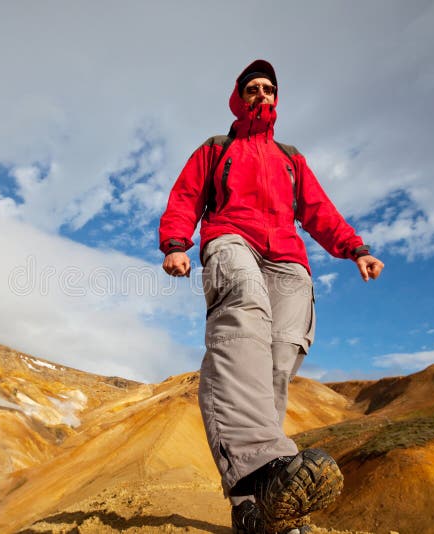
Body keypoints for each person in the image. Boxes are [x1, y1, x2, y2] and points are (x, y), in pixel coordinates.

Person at [158, 59, 384, 534]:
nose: (262, 94)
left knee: (278, 361)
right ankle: (255, 477)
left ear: (276, 99)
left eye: (269, 89)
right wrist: (177, 243)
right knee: (243, 320)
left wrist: (355, 249)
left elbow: (319, 210)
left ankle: (262, 506)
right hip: (230, 238)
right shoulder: (217, 148)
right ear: (238, 98)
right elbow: (185, 196)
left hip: (286, 256)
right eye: (253, 88)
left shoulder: (291, 157)